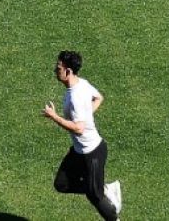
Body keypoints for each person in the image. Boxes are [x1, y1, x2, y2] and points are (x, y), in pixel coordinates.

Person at [43, 50, 122, 220]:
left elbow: (78, 129)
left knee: (95, 196)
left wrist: (54, 117)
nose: (55, 71)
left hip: (92, 152)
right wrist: (87, 117)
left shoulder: (76, 97)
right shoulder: (81, 84)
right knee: (61, 184)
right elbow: (99, 98)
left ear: (68, 71)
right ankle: (103, 188)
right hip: (79, 151)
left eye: (58, 68)